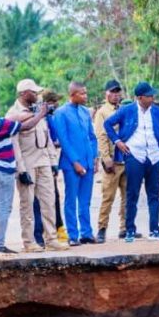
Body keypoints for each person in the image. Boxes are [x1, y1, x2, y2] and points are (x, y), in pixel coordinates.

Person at [0, 93, 54, 253]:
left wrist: (31, 113)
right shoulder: (1, 125)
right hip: (3, 170)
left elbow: (14, 119)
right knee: (5, 207)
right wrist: (40, 114)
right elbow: (25, 126)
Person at [104, 81, 159, 242]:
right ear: (140, 98)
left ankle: (155, 230)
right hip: (134, 155)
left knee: (154, 195)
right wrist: (117, 141)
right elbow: (107, 124)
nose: (153, 98)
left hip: (154, 156)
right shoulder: (127, 110)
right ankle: (130, 230)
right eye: (149, 96)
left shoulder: (156, 112)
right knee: (132, 194)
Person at [7, 79, 65, 252]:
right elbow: (14, 143)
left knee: (49, 201)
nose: (37, 95)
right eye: (34, 92)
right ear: (24, 94)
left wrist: (53, 161)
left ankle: (51, 238)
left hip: (44, 161)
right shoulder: (13, 113)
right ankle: (29, 241)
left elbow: (46, 138)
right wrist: (21, 169)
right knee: (27, 204)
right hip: (27, 163)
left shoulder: (38, 110)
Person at [54, 81, 99, 246]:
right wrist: (75, 162)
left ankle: (86, 233)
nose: (85, 96)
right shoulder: (61, 113)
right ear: (72, 94)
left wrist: (95, 158)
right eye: (82, 93)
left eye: (86, 93)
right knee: (71, 199)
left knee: (85, 200)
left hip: (88, 162)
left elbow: (92, 137)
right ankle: (73, 235)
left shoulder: (85, 112)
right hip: (72, 164)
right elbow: (64, 141)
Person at [93, 79, 129, 242]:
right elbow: (101, 136)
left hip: (127, 159)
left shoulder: (124, 109)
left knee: (128, 196)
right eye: (112, 92)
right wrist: (106, 158)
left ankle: (125, 228)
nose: (115, 95)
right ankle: (101, 229)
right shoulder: (102, 112)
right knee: (108, 196)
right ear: (106, 93)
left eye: (117, 92)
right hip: (112, 161)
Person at [32, 90, 69, 246]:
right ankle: (40, 235)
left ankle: (56, 230)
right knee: (38, 200)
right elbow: (51, 140)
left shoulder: (49, 117)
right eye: (54, 102)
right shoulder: (43, 118)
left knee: (53, 197)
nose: (57, 105)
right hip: (38, 161)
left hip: (49, 160)